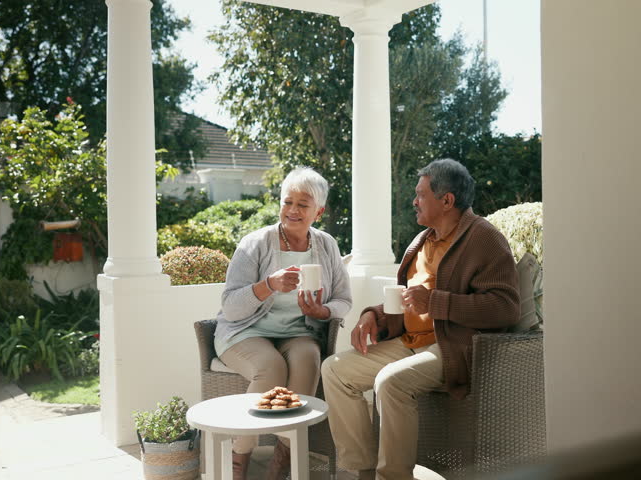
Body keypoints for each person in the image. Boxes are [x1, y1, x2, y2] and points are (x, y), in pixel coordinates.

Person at [321, 159, 521, 480]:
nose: (414, 202)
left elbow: (505, 308)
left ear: (447, 201)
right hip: (410, 342)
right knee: (335, 371)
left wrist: (437, 302)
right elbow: (406, 300)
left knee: (391, 381)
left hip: (452, 347)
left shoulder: (484, 238)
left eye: (420, 194)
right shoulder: (422, 241)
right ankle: (363, 471)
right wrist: (374, 316)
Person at [214, 166, 352, 480]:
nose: (292, 210)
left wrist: (322, 312)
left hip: (299, 331)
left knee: (308, 359)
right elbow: (231, 307)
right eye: (287, 202)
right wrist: (269, 286)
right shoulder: (255, 244)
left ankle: (282, 460)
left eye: (302, 204)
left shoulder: (327, 245)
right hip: (245, 331)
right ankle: (240, 459)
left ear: (319, 211)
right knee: (271, 367)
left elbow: (344, 299)